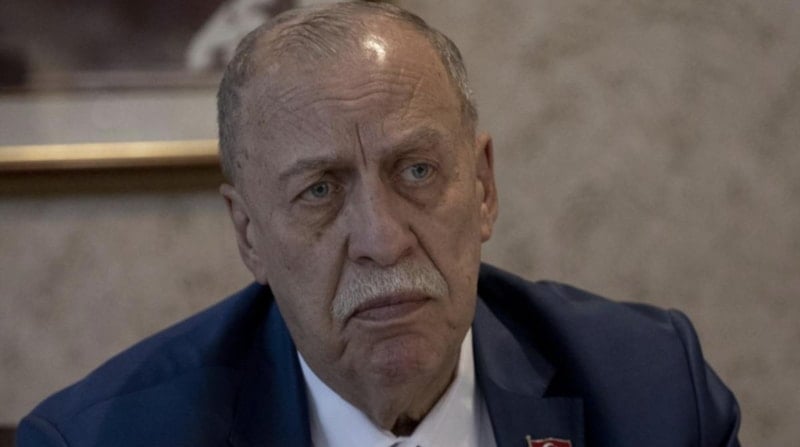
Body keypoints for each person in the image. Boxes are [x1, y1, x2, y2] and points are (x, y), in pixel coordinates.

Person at [17, 2, 741, 446]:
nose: (384, 240)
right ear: (248, 235)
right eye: (319, 190)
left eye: (417, 171)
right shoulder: (105, 437)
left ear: (483, 187)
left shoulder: (653, 389)